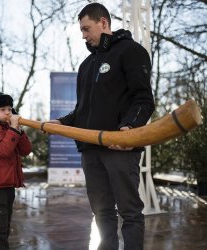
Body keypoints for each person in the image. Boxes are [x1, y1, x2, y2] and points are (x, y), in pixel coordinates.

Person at [50, 3, 155, 250]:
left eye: (87, 29)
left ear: (103, 23)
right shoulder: (86, 66)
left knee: (129, 211)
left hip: (119, 148)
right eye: (81, 31)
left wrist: (129, 128)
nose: (84, 35)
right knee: (101, 212)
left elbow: (144, 99)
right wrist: (61, 123)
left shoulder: (131, 51)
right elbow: (82, 111)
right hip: (90, 152)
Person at [0, 92, 32, 250]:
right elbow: (3, 150)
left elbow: (26, 150)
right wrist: (14, 129)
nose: (8, 112)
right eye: (3, 109)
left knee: (5, 227)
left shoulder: (10, 128)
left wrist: (19, 131)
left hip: (8, 184)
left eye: (10, 108)